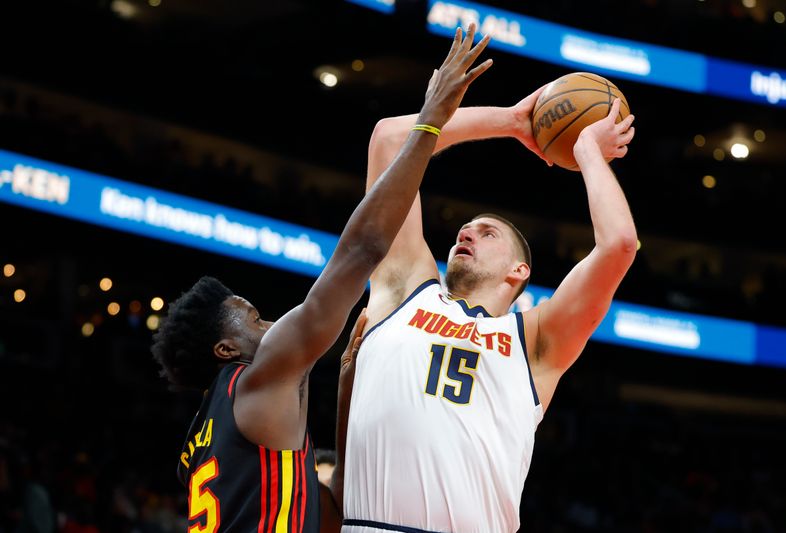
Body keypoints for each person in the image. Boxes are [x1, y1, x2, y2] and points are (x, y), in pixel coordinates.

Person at [150, 24, 493, 533]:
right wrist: (429, 124)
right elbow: (363, 249)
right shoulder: (258, 376)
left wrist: (348, 384)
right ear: (226, 350)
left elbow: (330, 512)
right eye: (257, 318)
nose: (273, 325)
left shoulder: (205, 440)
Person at [342, 73, 637, 531]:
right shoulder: (404, 289)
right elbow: (390, 137)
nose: (466, 231)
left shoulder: (536, 342)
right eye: (466, 229)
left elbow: (619, 245)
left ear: (519, 272)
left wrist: (586, 154)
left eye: (488, 232)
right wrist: (514, 121)